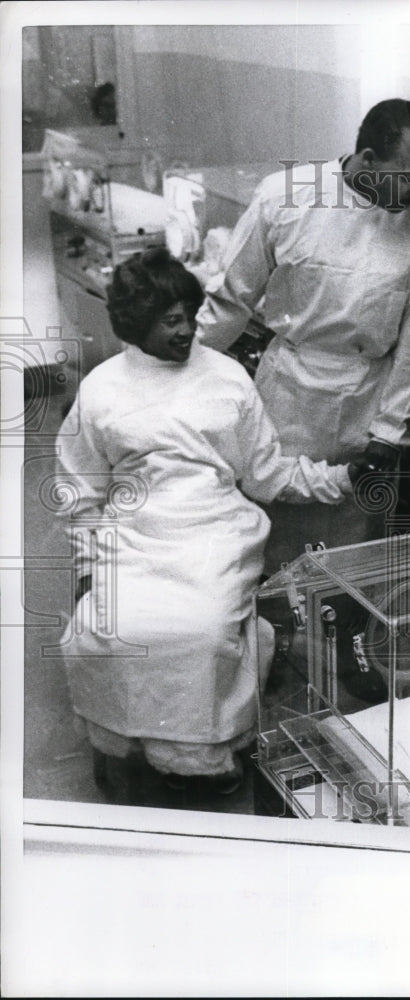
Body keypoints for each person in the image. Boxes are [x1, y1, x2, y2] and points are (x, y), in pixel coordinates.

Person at [56, 248, 356, 801]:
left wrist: (337, 478)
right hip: (135, 530)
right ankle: (120, 740)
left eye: (191, 315)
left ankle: (199, 753)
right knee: (102, 629)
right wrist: (87, 570)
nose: (188, 330)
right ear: (134, 322)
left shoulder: (227, 377)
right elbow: (81, 493)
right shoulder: (101, 389)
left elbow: (265, 475)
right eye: (172, 320)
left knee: (203, 630)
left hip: (214, 529)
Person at [196, 98, 410, 564]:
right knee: (274, 541)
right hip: (290, 396)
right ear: (368, 160)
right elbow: (231, 300)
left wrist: (390, 434)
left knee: (352, 551)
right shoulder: (284, 197)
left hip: (368, 404)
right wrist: (178, 376)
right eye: (409, 176)